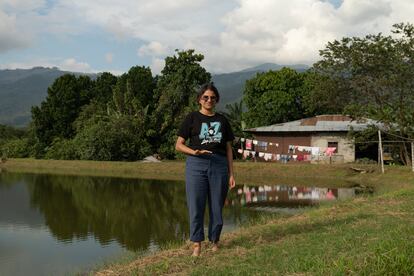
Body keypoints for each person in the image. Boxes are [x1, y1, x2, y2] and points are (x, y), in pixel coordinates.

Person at [175, 82, 236, 257]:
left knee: (217, 205)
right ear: (199, 100)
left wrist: (231, 173)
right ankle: (196, 245)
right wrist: (194, 151)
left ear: (216, 100)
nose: (209, 100)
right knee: (196, 205)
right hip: (196, 164)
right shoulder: (192, 118)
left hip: (219, 165)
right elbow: (179, 145)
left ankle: (215, 241)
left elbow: (229, 149)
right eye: (206, 97)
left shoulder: (222, 120)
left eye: (213, 98)